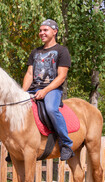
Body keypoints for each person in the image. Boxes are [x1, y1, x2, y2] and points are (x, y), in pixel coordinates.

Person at [23, 19, 74, 161]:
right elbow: (29, 74)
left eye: (45, 30)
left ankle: (66, 144)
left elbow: (62, 76)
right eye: (40, 30)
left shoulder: (62, 51)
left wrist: (45, 91)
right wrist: (21, 93)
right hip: (33, 89)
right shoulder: (35, 52)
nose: (41, 33)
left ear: (54, 31)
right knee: (17, 107)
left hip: (52, 90)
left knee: (51, 109)